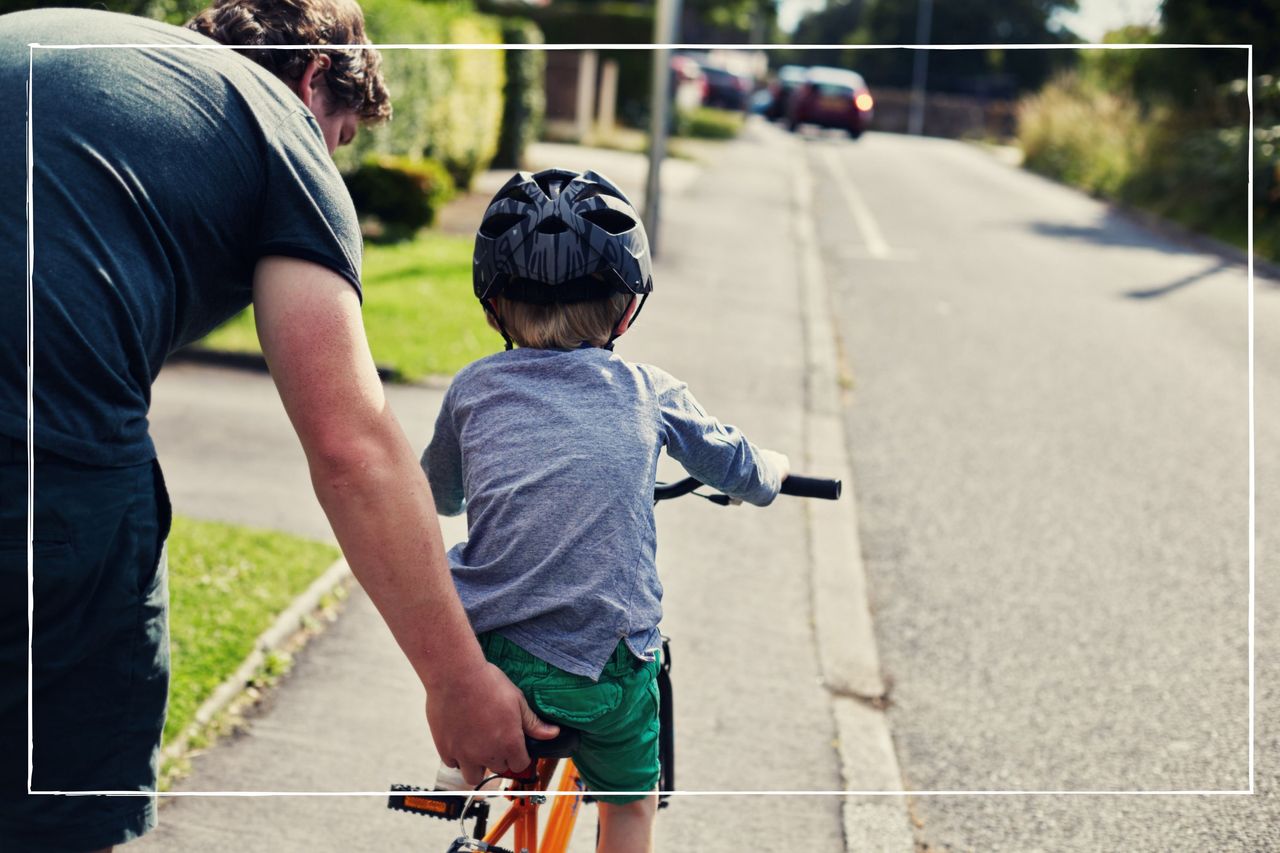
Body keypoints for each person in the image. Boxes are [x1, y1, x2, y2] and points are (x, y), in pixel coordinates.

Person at [0, 3, 553, 850]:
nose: (330, 163)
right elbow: (351, 445)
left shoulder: (98, 56)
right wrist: (458, 683)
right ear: (313, 80)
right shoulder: (276, 127)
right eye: (340, 138)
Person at [421, 167, 791, 852]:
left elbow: (438, 494)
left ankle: (461, 771)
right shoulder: (648, 390)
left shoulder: (471, 390)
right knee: (629, 804)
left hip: (496, 662)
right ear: (627, 309)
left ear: (493, 304)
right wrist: (772, 471)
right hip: (608, 674)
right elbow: (734, 463)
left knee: (460, 645)